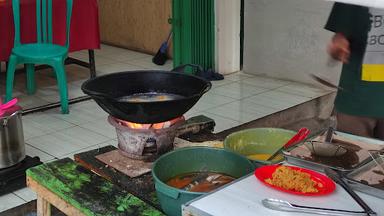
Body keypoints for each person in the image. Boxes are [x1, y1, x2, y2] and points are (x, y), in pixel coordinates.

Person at [325, 2, 384, 140]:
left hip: (358, 97)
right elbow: (340, 37)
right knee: (354, 154)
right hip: (358, 98)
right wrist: (338, 47)